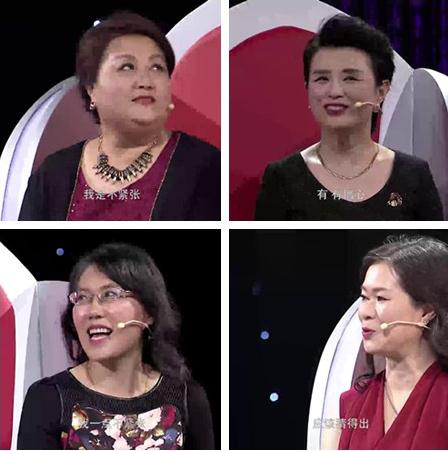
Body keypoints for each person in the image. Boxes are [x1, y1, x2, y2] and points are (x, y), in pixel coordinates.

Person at [19, 11, 220, 221]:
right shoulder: (53, 174)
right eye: (127, 67)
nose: (146, 81)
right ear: (91, 88)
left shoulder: (204, 168)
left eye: (157, 67)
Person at [17, 243, 215, 449]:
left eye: (110, 294)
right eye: (82, 297)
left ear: (149, 312)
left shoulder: (186, 398)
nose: (93, 311)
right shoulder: (48, 398)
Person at [255, 15, 443, 220]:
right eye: (322, 79)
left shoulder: (414, 175)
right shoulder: (282, 178)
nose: (334, 91)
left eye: (350, 78)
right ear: (308, 89)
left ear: (381, 91)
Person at [335, 236, 448, 449]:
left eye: (381, 298)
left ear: (426, 312)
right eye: (364, 297)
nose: (364, 312)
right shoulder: (351, 403)